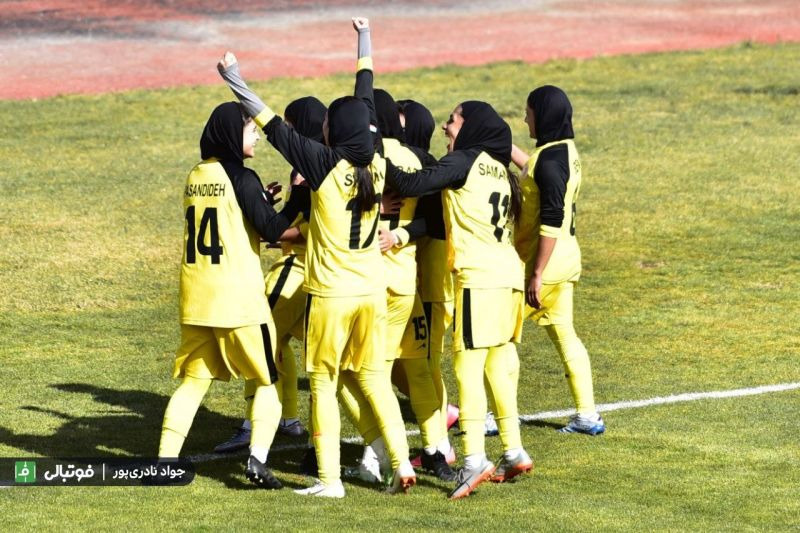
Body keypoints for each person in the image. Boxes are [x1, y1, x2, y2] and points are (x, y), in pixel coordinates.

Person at [217, 17, 416, 499]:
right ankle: (401, 463)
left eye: (328, 123)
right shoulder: (378, 161)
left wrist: (233, 77)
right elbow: (365, 95)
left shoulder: (324, 165)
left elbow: (268, 121)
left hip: (331, 295)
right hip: (372, 292)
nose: (322, 127)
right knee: (374, 380)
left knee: (323, 383)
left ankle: (329, 480)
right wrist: (364, 38)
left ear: (336, 131)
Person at [385, 101, 533, 499]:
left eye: (452, 120)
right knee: (497, 366)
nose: (444, 127)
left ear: (470, 126)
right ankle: (513, 450)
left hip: (480, 280)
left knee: (467, 368)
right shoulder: (499, 169)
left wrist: (373, 154)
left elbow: (412, 184)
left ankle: (473, 460)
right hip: (510, 278)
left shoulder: (466, 161)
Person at [158, 101, 308, 489]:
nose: (256, 134)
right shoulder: (242, 177)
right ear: (231, 133)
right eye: (249, 129)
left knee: (193, 382)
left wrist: (259, 200)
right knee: (266, 381)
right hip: (238, 300)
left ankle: (164, 461)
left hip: (196, 299)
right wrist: (297, 197)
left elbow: (228, 219)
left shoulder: (196, 174)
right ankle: (257, 460)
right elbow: (273, 230)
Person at [214, 96, 326, 454]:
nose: (285, 134)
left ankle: (252, 425)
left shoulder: (309, 170)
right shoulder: (323, 162)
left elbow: (313, 228)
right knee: (281, 343)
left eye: (290, 126)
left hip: (298, 270)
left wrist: (276, 231)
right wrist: (270, 216)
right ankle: (289, 419)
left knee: (259, 340)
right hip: (320, 274)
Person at [511, 85, 605, 435]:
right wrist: (505, 147)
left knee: (498, 339)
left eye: (529, 113)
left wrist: (536, 274)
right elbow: (534, 172)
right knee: (566, 336)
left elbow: (550, 221)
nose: (526, 119)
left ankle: (499, 416)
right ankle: (587, 415)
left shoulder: (550, 162)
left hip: (543, 266)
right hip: (565, 261)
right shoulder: (563, 151)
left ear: (544, 116)